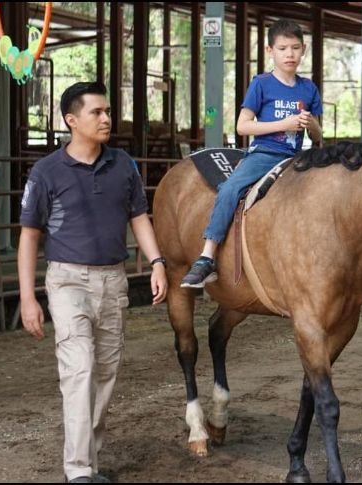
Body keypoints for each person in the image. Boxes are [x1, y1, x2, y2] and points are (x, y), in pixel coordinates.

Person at [18, 81, 168, 483]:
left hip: (113, 281)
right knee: (80, 368)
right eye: (97, 113)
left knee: (105, 374)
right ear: (71, 120)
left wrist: (156, 262)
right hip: (67, 282)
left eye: (107, 111)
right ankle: (79, 471)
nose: (107, 119)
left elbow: (138, 217)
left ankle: (90, 460)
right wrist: (27, 298)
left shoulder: (123, 165)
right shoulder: (47, 171)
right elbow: (30, 235)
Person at [181, 18, 323, 288]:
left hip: (296, 159)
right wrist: (285, 123)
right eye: (282, 48)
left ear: (303, 50)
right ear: (270, 51)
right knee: (230, 189)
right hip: (265, 154)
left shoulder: (309, 88)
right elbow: (242, 125)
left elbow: (317, 136)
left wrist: (311, 123)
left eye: (295, 48)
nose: (289, 54)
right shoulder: (262, 84)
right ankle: (207, 256)